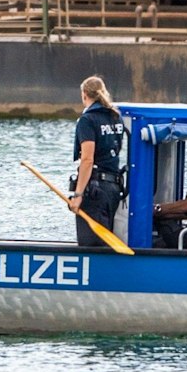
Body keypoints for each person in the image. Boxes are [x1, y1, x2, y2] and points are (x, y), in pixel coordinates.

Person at [66, 75, 126, 248]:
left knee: (91, 246)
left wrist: (78, 195)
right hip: (113, 189)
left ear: (84, 94)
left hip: (94, 190)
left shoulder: (88, 120)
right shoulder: (116, 117)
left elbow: (87, 159)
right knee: (103, 239)